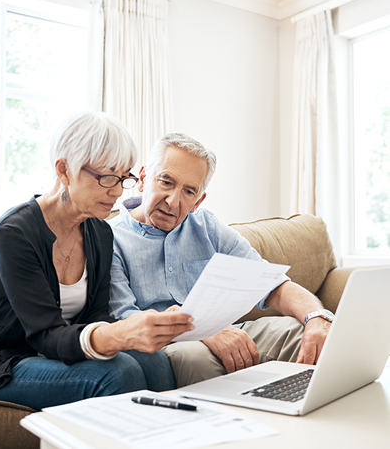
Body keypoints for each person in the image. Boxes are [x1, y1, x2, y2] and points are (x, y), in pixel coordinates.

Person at [0, 113, 194, 410]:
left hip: (54, 352)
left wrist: (137, 327)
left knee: (154, 359)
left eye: (123, 178)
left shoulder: (99, 232)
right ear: (64, 170)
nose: (118, 191)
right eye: (107, 177)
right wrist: (119, 334)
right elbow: (45, 335)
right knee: (119, 373)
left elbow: (96, 317)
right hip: (4, 362)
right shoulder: (15, 234)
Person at [109, 132, 334, 388]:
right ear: (143, 178)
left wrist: (317, 317)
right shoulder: (110, 238)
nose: (173, 201)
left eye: (189, 191)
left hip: (230, 333)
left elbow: (273, 285)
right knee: (192, 357)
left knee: (308, 335)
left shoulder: (207, 226)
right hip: (171, 344)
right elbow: (123, 316)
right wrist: (200, 329)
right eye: (166, 182)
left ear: (198, 201)